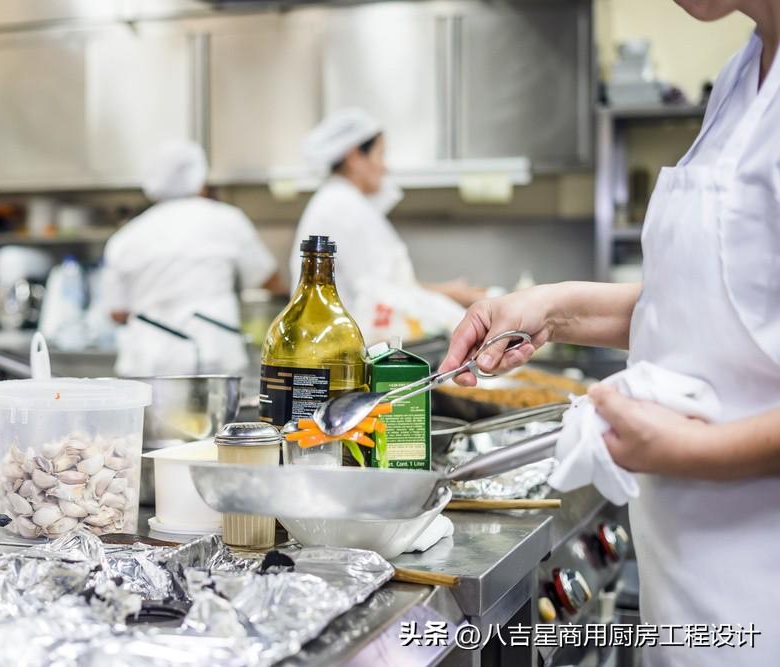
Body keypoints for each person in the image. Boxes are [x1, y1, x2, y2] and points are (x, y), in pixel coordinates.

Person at [441, 3, 780, 665]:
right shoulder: (746, 69)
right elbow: (708, 307)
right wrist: (550, 309)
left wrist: (700, 452)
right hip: (690, 585)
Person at [290, 108, 487, 343]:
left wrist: (446, 292)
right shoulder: (344, 207)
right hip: (343, 348)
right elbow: (381, 295)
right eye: (380, 155)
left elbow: (384, 286)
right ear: (354, 158)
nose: (385, 167)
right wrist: (452, 298)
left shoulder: (340, 202)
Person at [94, 140, 281, 376]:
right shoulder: (227, 220)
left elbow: (117, 312)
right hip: (213, 360)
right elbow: (270, 281)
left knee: (150, 415)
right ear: (200, 179)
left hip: (148, 363)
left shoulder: (126, 237)